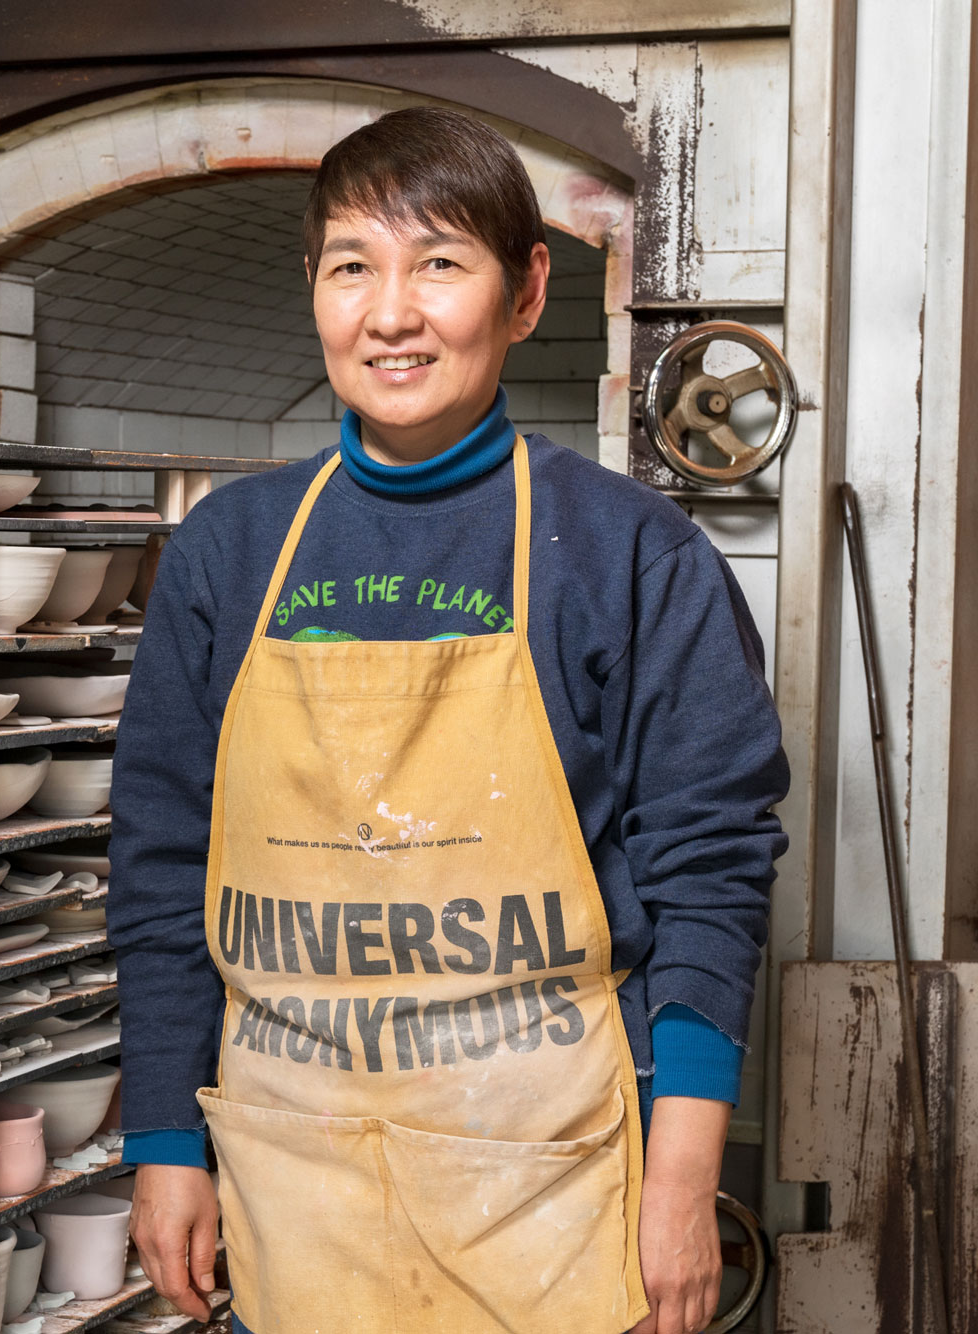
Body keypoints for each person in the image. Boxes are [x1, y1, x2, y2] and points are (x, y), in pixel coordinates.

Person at [106, 105, 789, 1334]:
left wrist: (681, 1189)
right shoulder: (227, 552)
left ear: (524, 293)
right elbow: (160, 864)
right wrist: (164, 1137)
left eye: (439, 263)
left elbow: (711, 876)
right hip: (291, 1184)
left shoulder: (631, 554)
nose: (390, 313)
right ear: (312, 291)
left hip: (552, 1189)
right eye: (351, 266)